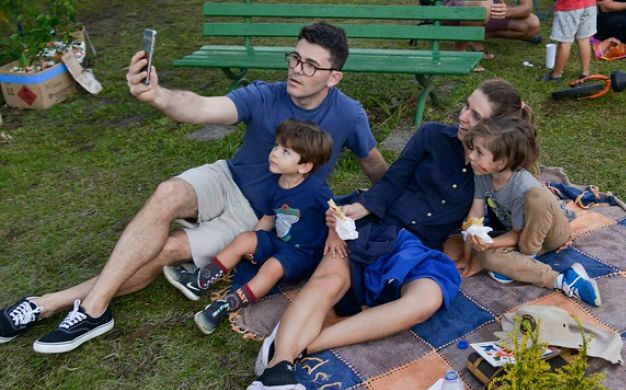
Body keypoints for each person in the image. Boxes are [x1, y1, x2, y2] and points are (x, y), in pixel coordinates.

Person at [0, 22, 388, 353]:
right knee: (167, 192)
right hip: (226, 177)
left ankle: (46, 304)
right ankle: (94, 311)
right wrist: (159, 95)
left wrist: (387, 205)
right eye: (295, 58)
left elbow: (373, 163)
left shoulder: (348, 114)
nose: (296, 69)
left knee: (164, 250)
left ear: (333, 76)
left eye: (310, 64)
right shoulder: (264, 94)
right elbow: (201, 108)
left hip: (258, 214)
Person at [243, 79, 536, 390]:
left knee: (426, 299)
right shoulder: (431, 136)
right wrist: (362, 208)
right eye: (466, 105)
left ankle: (297, 348)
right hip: (381, 222)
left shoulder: (494, 169)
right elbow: (393, 180)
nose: (463, 116)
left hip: (421, 248)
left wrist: (490, 242)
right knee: (330, 278)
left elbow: (511, 214)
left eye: (475, 114)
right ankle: (280, 365)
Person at [168, 119, 336, 335]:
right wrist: (254, 243)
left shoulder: (316, 190)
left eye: (285, 152)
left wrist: (334, 237)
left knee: (273, 266)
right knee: (244, 238)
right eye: (276, 146)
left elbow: (336, 215)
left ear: (304, 166)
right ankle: (201, 280)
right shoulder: (275, 184)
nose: (274, 153)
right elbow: (268, 218)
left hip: (304, 252)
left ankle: (226, 305)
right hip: (280, 241)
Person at [458, 115, 602, 307]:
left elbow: (517, 236)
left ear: (501, 162)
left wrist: (490, 242)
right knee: (486, 257)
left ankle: (525, 258)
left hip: (552, 233)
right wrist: (467, 256)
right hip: (522, 235)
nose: (472, 156)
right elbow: (475, 216)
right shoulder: (483, 174)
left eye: (479, 152)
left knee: (537, 196)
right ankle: (563, 280)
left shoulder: (521, 185)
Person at [440, 0, 541, 50]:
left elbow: (526, 8)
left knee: (532, 24)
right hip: (453, 12)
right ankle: (460, 50)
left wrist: (506, 12)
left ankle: (474, 38)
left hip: (488, 12)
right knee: (483, 5)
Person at [542, 0, 597, 82]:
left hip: (568, 7)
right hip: (589, 5)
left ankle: (556, 75)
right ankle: (585, 73)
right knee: (584, 40)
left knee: (565, 43)